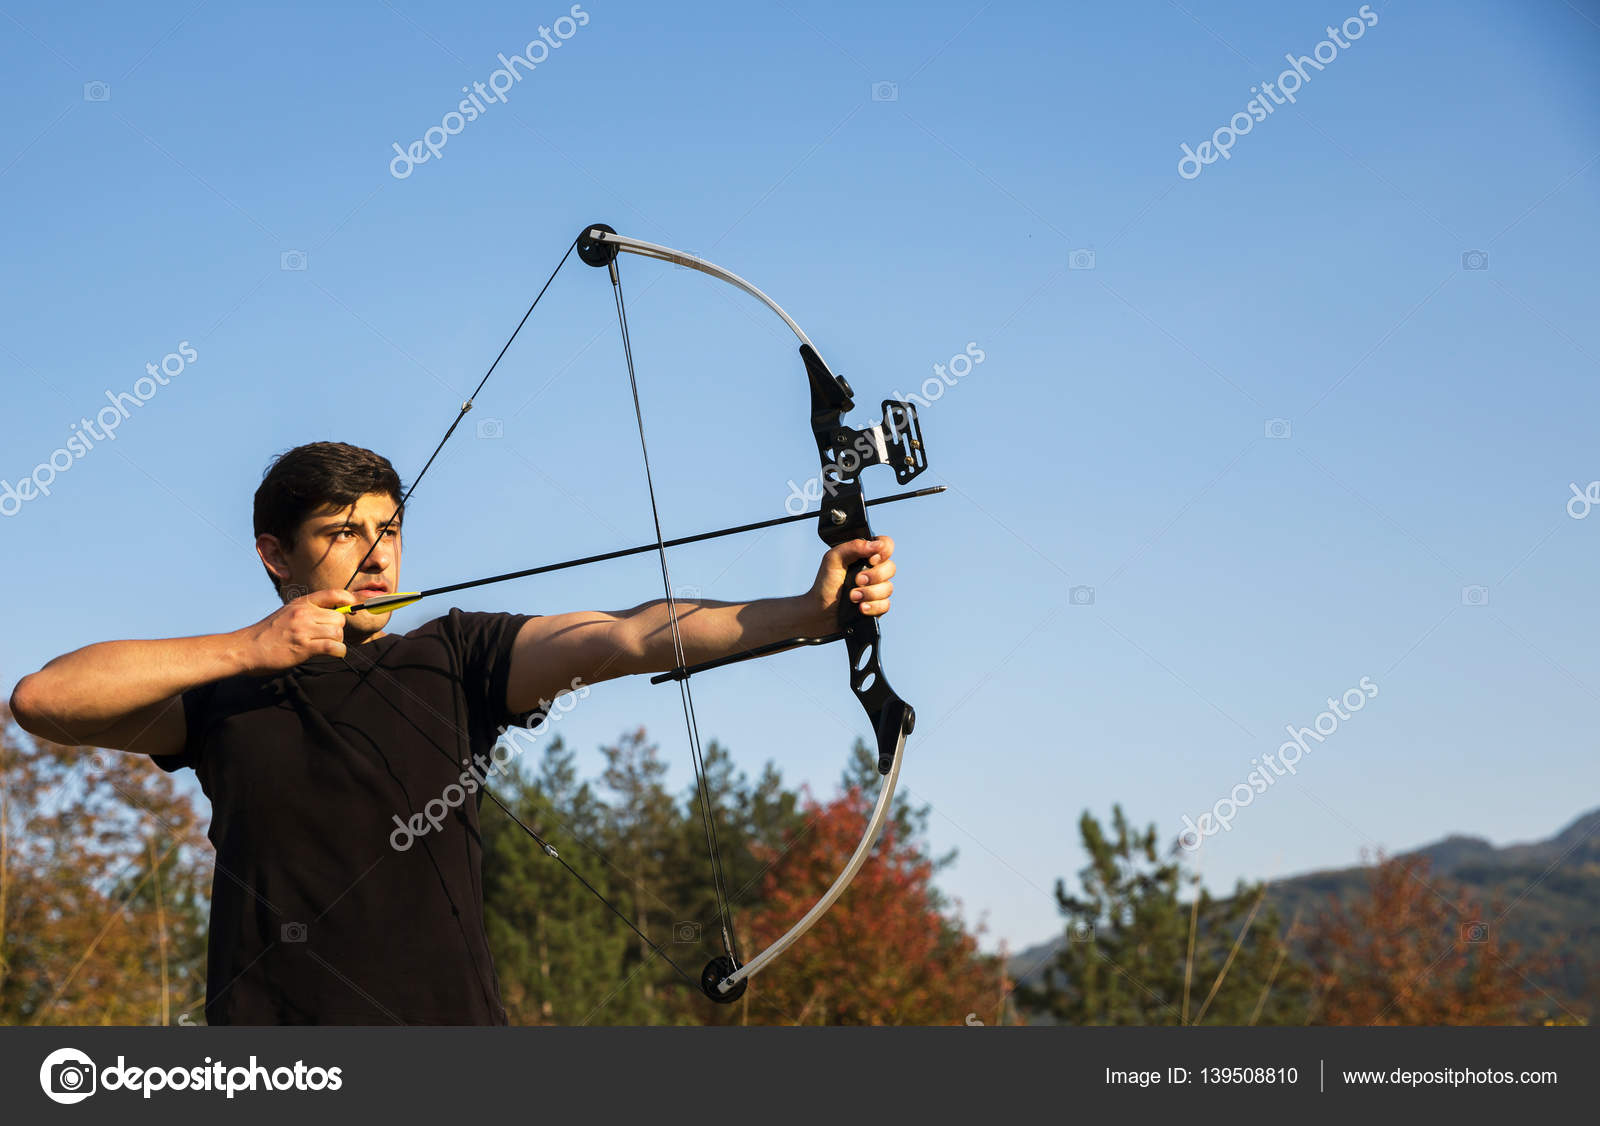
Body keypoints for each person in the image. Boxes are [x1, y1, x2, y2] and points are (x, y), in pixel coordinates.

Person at [8, 440, 899, 1025]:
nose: (376, 554)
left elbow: (627, 636)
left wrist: (804, 613)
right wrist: (249, 647)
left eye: (388, 529)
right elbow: (43, 699)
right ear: (275, 554)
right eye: (342, 533)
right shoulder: (222, 693)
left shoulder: (457, 653)